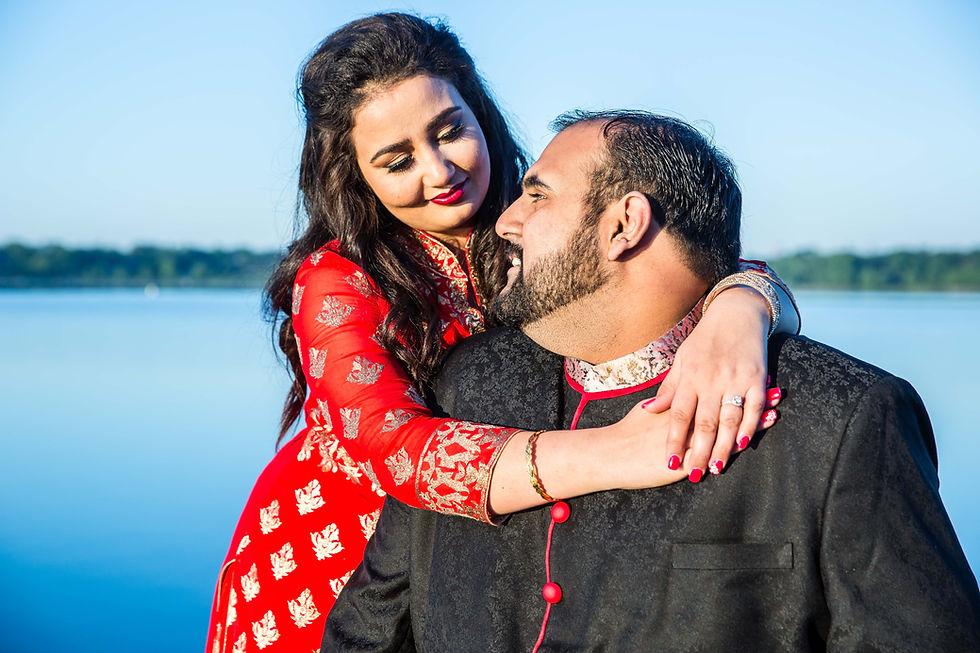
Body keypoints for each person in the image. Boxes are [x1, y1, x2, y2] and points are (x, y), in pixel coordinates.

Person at [206, 14, 798, 653]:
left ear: (477, 111)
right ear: (355, 176)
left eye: (449, 131)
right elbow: (401, 451)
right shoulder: (337, 280)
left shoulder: (528, 224)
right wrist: (620, 450)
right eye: (397, 161)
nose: (439, 172)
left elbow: (678, 263)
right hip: (330, 562)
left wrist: (739, 310)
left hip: (476, 559)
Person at [323, 111, 980, 652]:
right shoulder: (469, 384)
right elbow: (363, 635)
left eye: (538, 194)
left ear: (623, 224)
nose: (504, 220)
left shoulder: (839, 417)